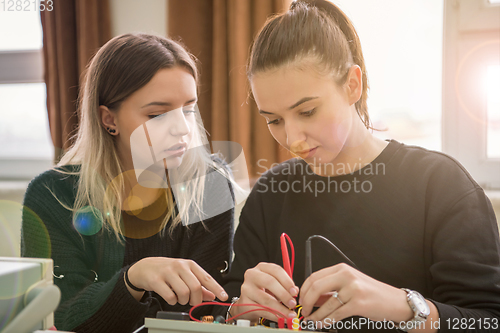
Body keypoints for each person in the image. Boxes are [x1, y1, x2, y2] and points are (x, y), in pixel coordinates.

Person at [223, 1, 500, 332]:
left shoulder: (440, 185)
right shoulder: (269, 196)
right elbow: (226, 311)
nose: (293, 138)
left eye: (307, 111)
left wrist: (404, 307)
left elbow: (486, 321)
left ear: (352, 85)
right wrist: (240, 311)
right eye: (274, 120)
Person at [21, 33, 236, 332]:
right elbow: (60, 317)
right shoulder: (53, 195)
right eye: (157, 115)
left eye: (188, 109)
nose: (182, 129)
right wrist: (132, 279)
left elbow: (207, 313)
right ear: (109, 119)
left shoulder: (210, 183)